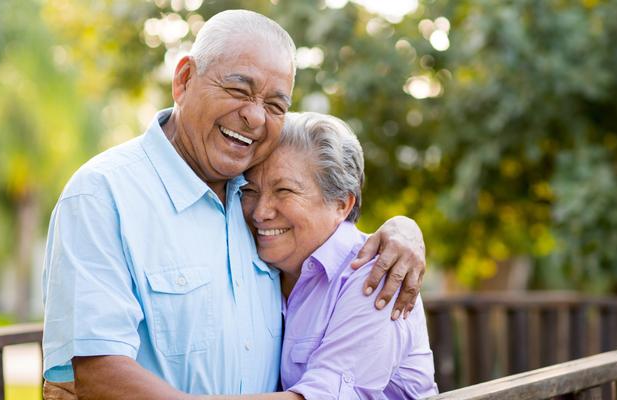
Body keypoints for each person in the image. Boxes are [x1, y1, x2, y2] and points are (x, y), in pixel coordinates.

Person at [41, 10, 427, 398]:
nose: (255, 116)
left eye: (276, 105)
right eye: (239, 90)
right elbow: (99, 373)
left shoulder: (253, 197)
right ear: (184, 79)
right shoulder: (102, 195)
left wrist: (404, 228)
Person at [233, 112, 439, 399]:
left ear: (341, 204)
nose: (260, 212)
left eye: (284, 191)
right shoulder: (256, 266)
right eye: (250, 190)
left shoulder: (378, 272)